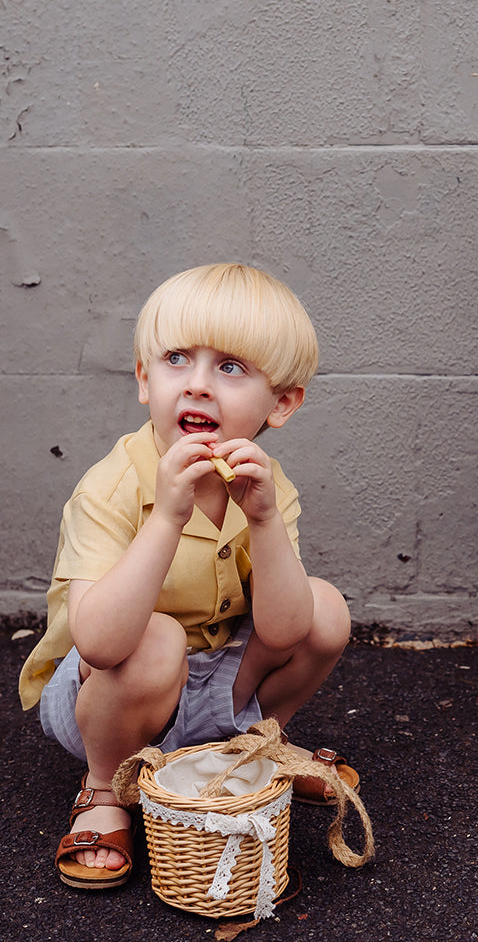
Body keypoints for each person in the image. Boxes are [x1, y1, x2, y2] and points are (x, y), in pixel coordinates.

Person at [20, 262, 356, 888]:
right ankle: (104, 787)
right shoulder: (111, 487)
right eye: (176, 359)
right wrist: (168, 517)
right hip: (111, 692)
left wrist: (263, 520)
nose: (197, 385)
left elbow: (286, 630)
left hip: (219, 679)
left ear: (281, 404)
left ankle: (250, 744)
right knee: (157, 639)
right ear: (144, 378)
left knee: (326, 608)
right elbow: (100, 644)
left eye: (230, 368)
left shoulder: (265, 485)